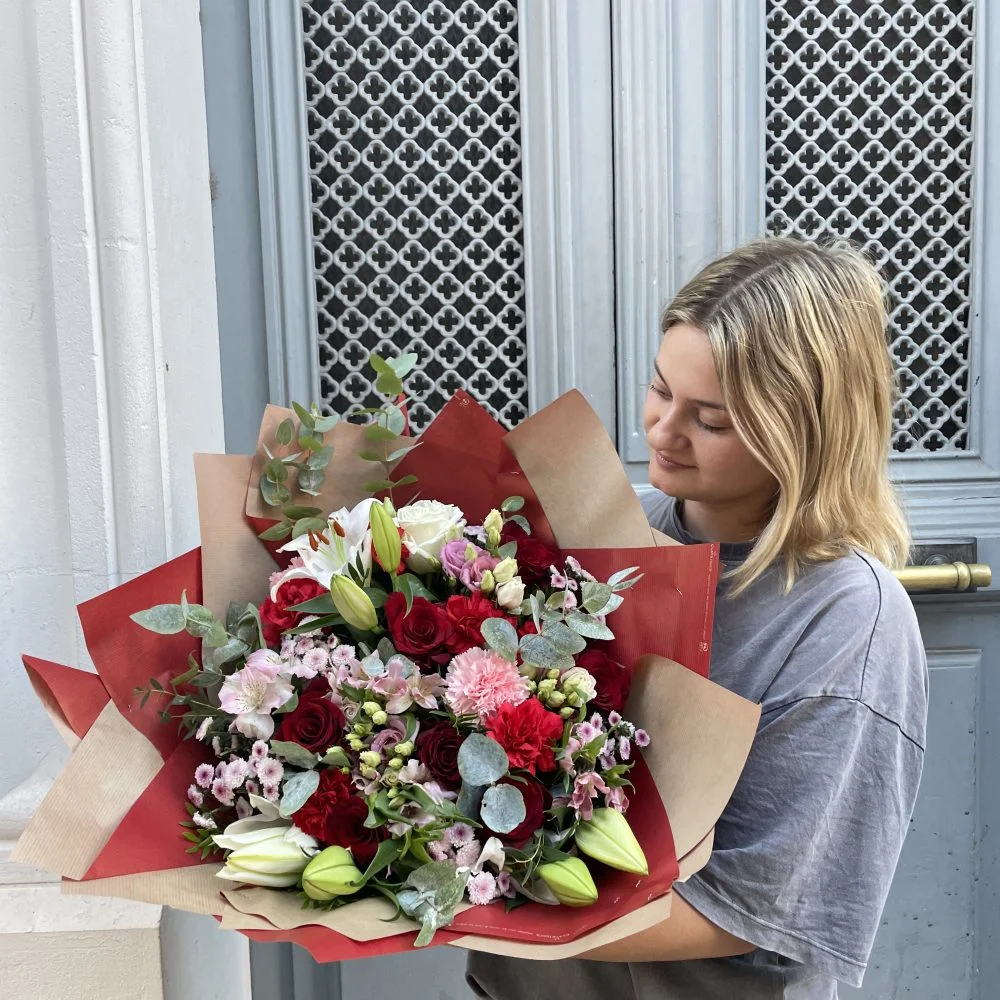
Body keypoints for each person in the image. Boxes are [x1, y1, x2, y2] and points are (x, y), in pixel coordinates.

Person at [466, 236, 928, 999]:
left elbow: (748, 911)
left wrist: (460, 895)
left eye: (710, 420)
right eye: (659, 389)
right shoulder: (604, 532)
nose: (661, 431)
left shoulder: (848, 621)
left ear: (802, 432)